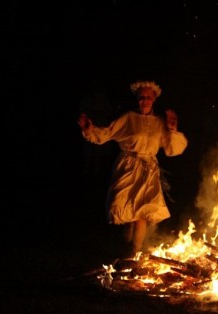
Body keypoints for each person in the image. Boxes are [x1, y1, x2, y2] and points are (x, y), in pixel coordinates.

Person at [78, 80, 188, 256]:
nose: (144, 101)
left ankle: (134, 252)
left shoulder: (159, 122)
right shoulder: (128, 118)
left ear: (154, 99)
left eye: (148, 98)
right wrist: (90, 130)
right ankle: (124, 245)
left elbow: (172, 148)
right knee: (127, 209)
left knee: (142, 212)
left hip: (149, 169)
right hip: (128, 167)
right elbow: (107, 133)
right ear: (137, 98)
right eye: (141, 97)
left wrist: (173, 130)